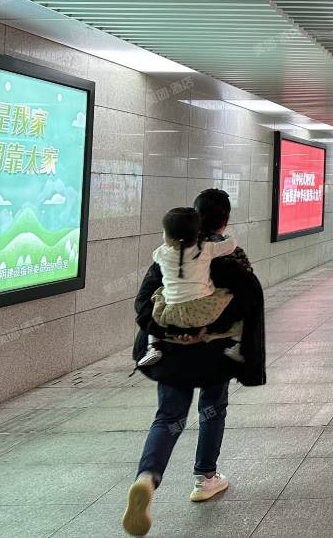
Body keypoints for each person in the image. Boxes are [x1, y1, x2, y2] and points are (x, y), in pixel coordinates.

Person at [123, 189, 266, 538]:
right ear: (225, 220)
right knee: (212, 409)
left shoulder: (168, 254)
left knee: (169, 416)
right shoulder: (229, 258)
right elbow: (247, 301)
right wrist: (208, 327)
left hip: (172, 353)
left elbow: (144, 304)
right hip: (213, 354)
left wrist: (171, 329)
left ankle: (147, 477)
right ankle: (206, 477)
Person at [137, 207, 242, 368]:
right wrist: (228, 237)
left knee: (159, 294)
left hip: (170, 314)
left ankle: (153, 347)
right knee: (233, 301)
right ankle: (235, 345)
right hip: (204, 311)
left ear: (167, 235)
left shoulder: (160, 253)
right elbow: (231, 245)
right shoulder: (205, 249)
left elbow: (143, 300)